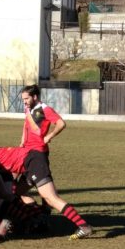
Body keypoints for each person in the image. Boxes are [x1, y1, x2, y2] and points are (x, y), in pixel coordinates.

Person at [20, 84, 92, 240]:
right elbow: (26, 128)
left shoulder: (43, 109)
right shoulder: (31, 110)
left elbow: (61, 123)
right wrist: (21, 144)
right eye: (23, 99)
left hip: (37, 155)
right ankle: (41, 217)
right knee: (16, 191)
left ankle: (82, 225)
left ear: (35, 97)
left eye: (26, 99)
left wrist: (49, 136)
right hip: (28, 154)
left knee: (50, 197)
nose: (24, 102)